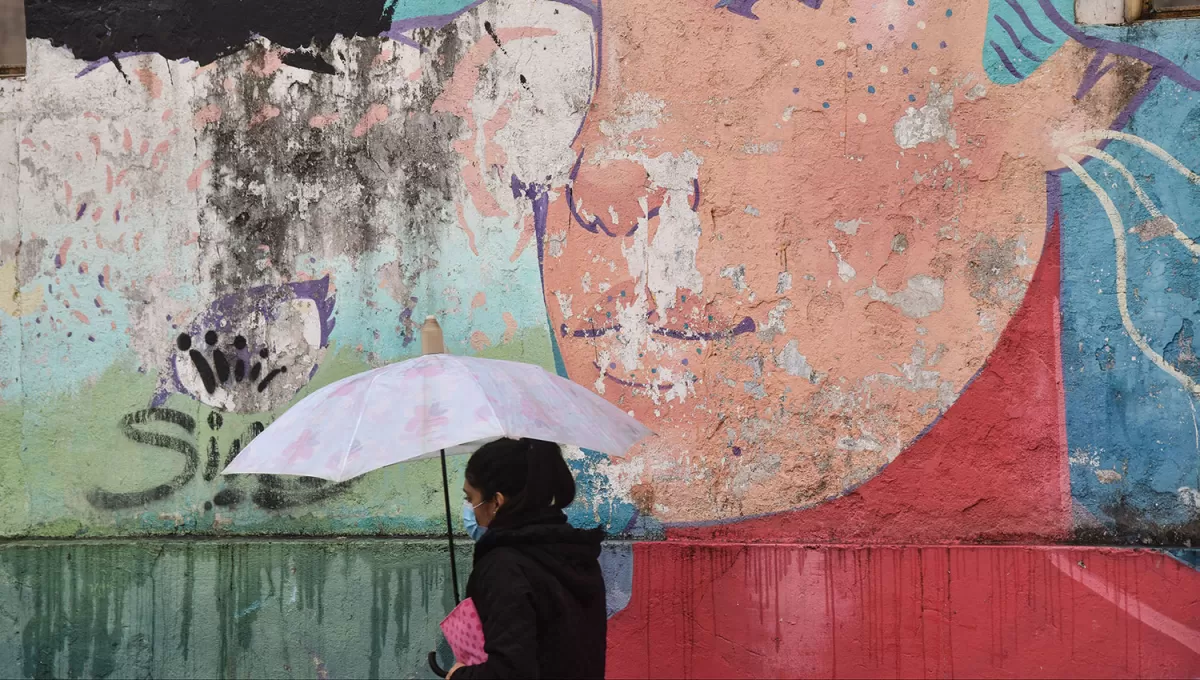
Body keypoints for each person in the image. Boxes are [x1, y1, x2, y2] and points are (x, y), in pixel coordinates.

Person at [447, 438, 607, 679]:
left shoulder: (504, 567)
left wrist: (459, 676)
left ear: (496, 502)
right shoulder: (575, 553)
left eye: (470, 499)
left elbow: (509, 671)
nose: (469, 508)